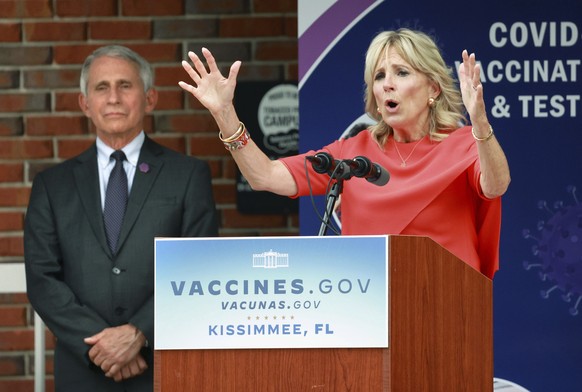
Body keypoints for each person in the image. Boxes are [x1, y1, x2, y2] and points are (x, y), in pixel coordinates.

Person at [178, 28, 510, 279]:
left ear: (433, 89)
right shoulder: (355, 151)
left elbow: (496, 185)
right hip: (371, 310)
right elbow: (265, 176)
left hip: (450, 304)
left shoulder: (465, 143)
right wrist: (225, 114)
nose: (387, 84)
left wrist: (480, 121)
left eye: (402, 72)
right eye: (379, 76)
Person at [24, 45, 219, 391]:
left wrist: (139, 332)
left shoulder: (187, 175)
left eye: (125, 86)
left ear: (150, 99)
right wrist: (101, 346)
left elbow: (200, 267)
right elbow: (42, 279)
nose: (113, 98)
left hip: (163, 364)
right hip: (82, 367)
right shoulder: (52, 186)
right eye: (102, 87)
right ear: (85, 104)